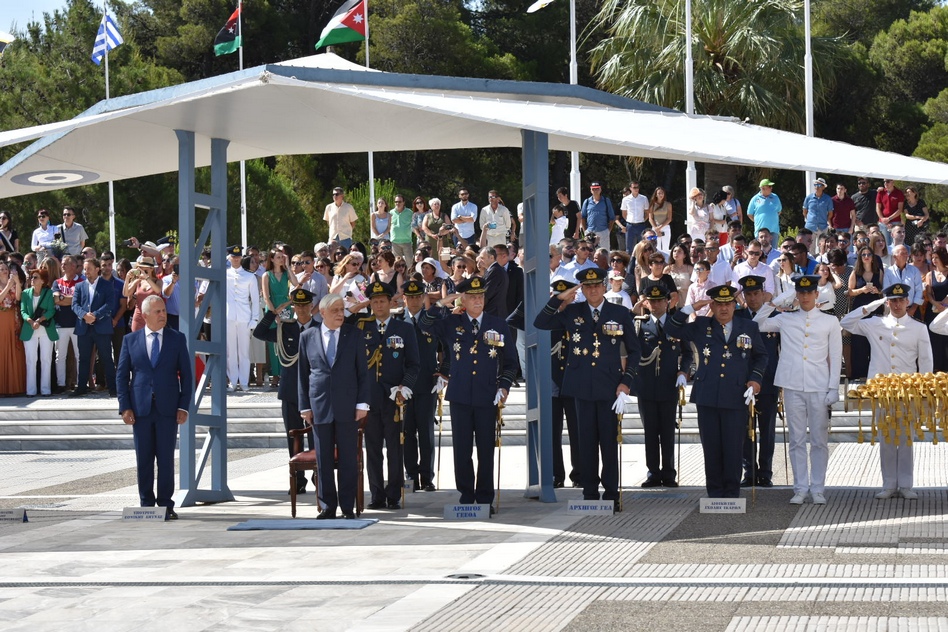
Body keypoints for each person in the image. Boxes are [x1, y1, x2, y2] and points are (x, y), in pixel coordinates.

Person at [534, 268, 641, 508]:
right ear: (581, 289)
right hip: (580, 387)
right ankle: (590, 493)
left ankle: (612, 493)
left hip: (610, 387)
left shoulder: (620, 313)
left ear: (604, 287)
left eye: (596, 285)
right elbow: (540, 322)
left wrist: (627, 382)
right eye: (587, 286)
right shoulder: (572, 311)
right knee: (586, 441)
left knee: (609, 441)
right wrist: (559, 299)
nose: (593, 290)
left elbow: (635, 351)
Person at [421, 276, 518, 509]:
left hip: (487, 395)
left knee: (486, 449)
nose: (477, 301)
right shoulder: (452, 323)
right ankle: (466, 496)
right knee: (462, 450)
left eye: (481, 296)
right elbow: (424, 324)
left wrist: (503, 386)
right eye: (472, 297)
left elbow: (511, 362)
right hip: (461, 395)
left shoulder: (498, 324)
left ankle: (485, 498)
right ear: (463, 299)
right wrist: (441, 303)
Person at [663, 284, 768, 498]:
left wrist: (755, 379)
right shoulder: (701, 325)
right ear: (712, 305)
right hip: (708, 394)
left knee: (733, 446)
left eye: (728, 303)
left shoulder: (748, 327)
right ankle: (714, 492)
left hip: (736, 394)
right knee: (711, 446)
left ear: (734, 304)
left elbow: (761, 356)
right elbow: (671, 329)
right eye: (719, 304)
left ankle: (731, 492)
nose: (724, 309)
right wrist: (690, 308)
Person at [754, 276, 841, 504]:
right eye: (800, 293)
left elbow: (835, 355)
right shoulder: (785, 319)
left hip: (819, 386)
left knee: (820, 440)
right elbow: (757, 324)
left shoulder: (829, 322)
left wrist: (834, 388)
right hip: (792, 385)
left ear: (815, 294)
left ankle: (818, 487)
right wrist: (775, 302)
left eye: (808, 293)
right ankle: (800, 488)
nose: (804, 297)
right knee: (797, 439)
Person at [841, 283, 933, 500]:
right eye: (892, 300)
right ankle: (889, 483)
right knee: (887, 437)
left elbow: (926, 361)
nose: (897, 304)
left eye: (901, 300)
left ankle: (906, 484)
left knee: (906, 437)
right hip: (881, 390)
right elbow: (846, 322)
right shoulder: (876, 323)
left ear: (908, 301)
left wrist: (924, 391)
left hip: (907, 390)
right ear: (888, 302)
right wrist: (872, 304)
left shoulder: (919, 328)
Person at [117, 295, 193, 520]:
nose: (163, 315)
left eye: (164, 311)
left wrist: (183, 406)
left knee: (166, 459)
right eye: (158, 311)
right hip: (140, 409)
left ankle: (166, 505)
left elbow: (187, 377)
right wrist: (125, 407)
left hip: (168, 409)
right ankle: (146, 504)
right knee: (144, 459)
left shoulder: (177, 339)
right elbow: (122, 376)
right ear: (146, 314)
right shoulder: (130, 341)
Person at [299, 293, 371, 520]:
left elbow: (363, 373)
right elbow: (302, 375)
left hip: (348, 406)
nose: (341, 314)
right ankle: (327, 505)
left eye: (342, 309)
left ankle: (348, 507)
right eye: (335, 311)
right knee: (324, 459)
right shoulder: (307, 336)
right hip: (319, 406)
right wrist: (304, 407)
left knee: (349, 459)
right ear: (322, 313)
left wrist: (362, 404)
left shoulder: (354, 335)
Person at [358, 281, 420, 510]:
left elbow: (414, 364)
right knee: (372, 448)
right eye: (374, 302)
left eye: (382, 301)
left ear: (390, 302)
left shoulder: (404, 329)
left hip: (395, 398)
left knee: (395, 448)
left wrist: (405, 387)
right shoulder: (362, 327)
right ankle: (376, 494)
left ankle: (393, 494)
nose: (378, 305)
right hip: (370, 398)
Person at [253, 288, 317, 494]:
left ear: (311, 306)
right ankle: (297, 479)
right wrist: (274, 312)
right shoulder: (285, 329)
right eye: (297, 305)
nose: (301, 309)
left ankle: (319, 475)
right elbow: (259, 333)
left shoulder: (320, 328)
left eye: (305, 305)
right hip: (291, 391)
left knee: (317, 437)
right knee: (293, 437)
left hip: (316, 392)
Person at [634, 284, 693, 487]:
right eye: (653, 301)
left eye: (660, 300)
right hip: (647, 385)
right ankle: (653, 472)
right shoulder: (640, 325)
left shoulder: (676, 324)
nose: (657, 304)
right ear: (647, 303)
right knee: (650, 431)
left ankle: (668, 473)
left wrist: (683, 372)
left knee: (668, 431)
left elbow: (687, 352)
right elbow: (633, 352)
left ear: (668, 302)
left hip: (669, 383)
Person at [734, 276, 780, 488]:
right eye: (748, 294)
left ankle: (766, 472)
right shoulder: (737, 316)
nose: (753, 298)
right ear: (743, 295)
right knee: (744, 429)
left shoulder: (775, 316)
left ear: (763, 294)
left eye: (756, 294)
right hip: (743, 382)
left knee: (767, 429)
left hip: (769, 380)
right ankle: (749, 471)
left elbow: (784, 350)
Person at [400, 279, 442, 492]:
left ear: (423, 297)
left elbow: (447, 347)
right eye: (411, 297)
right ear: (404, 298)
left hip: (427, 383)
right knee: (406, 432)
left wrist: (444, 372)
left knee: (425, 432)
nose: (415, 301)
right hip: (404, 385)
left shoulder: (432, 319)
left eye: (418, 296)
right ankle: (410, 475)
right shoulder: (397, 320)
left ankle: (427, 477)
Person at [71, 257, 116, 396]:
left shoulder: (107, 285)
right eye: (85, 269)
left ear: (97, 269)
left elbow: (110, 304)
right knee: (83, 358)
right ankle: (82, 388)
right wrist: (85, 315)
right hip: (84, 327)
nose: (86, 271)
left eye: (89, 268)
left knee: (106, 358)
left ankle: (113, 389)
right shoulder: (79, 286)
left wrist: (95, 315)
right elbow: (75, 305)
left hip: (101, 327)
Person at [225, 247, 260, 392]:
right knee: (230, 351)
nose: (236, 259)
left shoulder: (249, 276)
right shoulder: (224, 274)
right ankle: (233, 381)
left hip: (245, 316)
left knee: (244, 352)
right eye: (233, 256)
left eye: (238, 256)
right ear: (229, 257)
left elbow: (256, 300)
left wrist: (255, 319)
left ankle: (244, 381)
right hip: (229, 316)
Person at [21, 269, 58, 397]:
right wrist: (31, 322)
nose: (32, 279)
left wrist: (39, 320)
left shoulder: (48, 293)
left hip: (45, 330)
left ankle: (45, 390)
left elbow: (51, 311)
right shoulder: (25, 293)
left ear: (42, 280)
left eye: (35, 277)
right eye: (31, 277)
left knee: (46, 359)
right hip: (29, 329)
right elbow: (23, 311)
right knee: (31, 360)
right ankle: (30, 391)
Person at [52, 256, 83, 393]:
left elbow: (80, 301)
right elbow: (57, 300)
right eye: (62, 264)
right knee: (60, 355)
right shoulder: (57, 282)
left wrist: (65, 299)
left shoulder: (82, 282)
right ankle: (61, 383)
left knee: (80, 355)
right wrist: (71, 300)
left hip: (77, 324)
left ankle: (80, 383)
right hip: (61, 324)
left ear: (74, 266)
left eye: (66, 264)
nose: (62, 266)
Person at [0, 260, 24, 395]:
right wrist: (8, 286)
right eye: (1, 269)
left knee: (14, 349)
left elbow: (18, 298)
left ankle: (14, 387)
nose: (4, 271)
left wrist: (17, 283)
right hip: (1, 319)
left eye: (5, 269)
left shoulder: (13, 284)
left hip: (13, 319)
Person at [802, 178, 834, 254]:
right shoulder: (809, 198)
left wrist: (824, 220)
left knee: (822, 248)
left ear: (823, 187)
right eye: (815, 185)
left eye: (819, 185)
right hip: (810, 227)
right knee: (809, 248)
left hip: (822, 227)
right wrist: (809, 220)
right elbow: (805, 211)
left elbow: (830, 213)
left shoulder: (828, 199)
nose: (817, 187)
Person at [580, 182, 616, 249]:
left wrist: (608, 231)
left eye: (597, 189)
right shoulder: (587, 201)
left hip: (603, 231)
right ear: (591, 190)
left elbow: (612, 217)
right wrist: (585, 231)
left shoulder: (606, 201)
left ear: (600, 189)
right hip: (590, 232)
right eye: (593, 189)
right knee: (589, 252)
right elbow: (583, 217)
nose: (595, 191)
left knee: (604, 253)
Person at [478, 246, 509, 318]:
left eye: (482, 258)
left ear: (491, 257)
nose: (480, 261)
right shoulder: (494, 270)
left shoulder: (495, 271)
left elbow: (487, 293)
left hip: (493, 314)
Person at [621, 181, 650, 252]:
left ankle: (642, 262)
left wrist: (643, 220)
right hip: (630, 226)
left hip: (641, 225)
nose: (636, 189)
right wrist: (629, 220)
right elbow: (624, 213)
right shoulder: (625, 199)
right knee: (629, 248)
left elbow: (647, 212)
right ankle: (630, 263)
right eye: (634, 187)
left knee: (643, 247)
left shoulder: (644, 198)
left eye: (637, 187)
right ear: (630, 188)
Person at [875, 179, 905, 246]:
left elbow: (900, 209)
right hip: (883, 222)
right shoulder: (881, 192)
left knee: (896, 243)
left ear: (893, 182)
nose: (885, 183)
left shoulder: (899, 193)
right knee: (884, 243)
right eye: (884, 181)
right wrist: (883, 219)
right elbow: (878, 208)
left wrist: (889, 219)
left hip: (895, 222)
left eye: (888, 181)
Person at [389, 194, 414, 259]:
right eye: (396, 202)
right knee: (397, 263)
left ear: (403, 202)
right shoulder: (391, 213)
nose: (397, 203)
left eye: (399, 202)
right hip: (395, 242)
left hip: (407, 241)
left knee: (410, 263)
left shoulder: (409, 212)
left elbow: (414, 225)